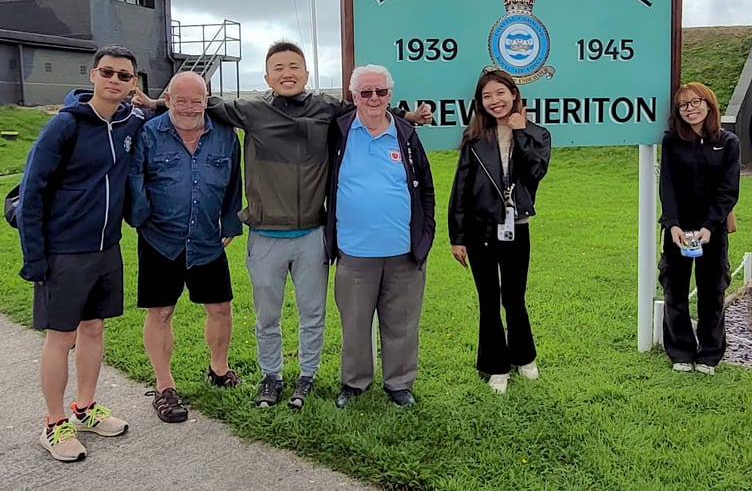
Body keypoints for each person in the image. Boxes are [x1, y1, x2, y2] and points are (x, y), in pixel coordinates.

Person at [137, 41, 430, 409]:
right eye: (278, 67)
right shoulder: (249, 110)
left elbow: (368, 105)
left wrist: (406, 116)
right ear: (266, 77)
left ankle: (307, 375)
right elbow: (196, 102)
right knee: (267, 317)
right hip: (264, 236)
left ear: (307, 74)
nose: (287, 73)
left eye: (294, 66)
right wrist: (155, 104)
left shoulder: (327, 108)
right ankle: (271, 376)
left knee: (312, 315)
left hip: (312, 235)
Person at [17, 45, 142, 462]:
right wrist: (35, 258)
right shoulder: (64, 126)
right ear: (92, 75)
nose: (114, 80)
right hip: (65, 252)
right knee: (61, 337)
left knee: (93, 330)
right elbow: (32, 192)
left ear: (133, 84)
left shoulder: (130, 123)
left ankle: (85, 408)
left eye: (124, 76)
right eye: (107, 72)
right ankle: (54, 424)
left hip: (106, 248)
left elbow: (170, 114)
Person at [127, 71, 243, 422]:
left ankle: (219, 370)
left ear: (207, 99)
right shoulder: (149, 133)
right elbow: (135, 179)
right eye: (182, 100)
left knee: (220, 308)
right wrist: (143, 218)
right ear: (168, 98)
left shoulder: (225, 136)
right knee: (161, 312)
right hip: (160, 240)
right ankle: (164, 386)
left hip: (207, 238)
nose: (190, 107)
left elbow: (234, 180)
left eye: (198, 100)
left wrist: (231, 221)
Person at [325, 65, 435, 409]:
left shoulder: (405, 134)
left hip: (403, 253)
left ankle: (399, 384)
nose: (374, 99)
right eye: (366, 92)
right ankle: (354, 383)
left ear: (390, 94)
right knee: (355, 325)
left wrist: (424, 236)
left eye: (381, 92)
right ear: (353, 95)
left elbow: (427, 191)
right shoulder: (338, 131)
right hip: (354, 253)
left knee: (401, 324)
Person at [448, 67, 551, 394]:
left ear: (513, 94)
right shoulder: (474, 137)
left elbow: (536, 171)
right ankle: (495, 366)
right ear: (480, 101)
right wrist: (457, 236)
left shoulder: (537, 133)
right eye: (487, 96)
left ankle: (525, 357)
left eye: (500, 93)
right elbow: (461, 187)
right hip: (481, 229)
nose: (495, 101)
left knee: (515, 297)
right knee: (489, 299)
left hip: (516, 227)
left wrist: (521, 132)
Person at [658, 82, 740, 375]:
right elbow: (666, 185)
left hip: (712, 230)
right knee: (675, 290)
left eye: (696, 102)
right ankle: (681, 351)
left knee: (712, 292)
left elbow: (729, 190)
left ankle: (709, 354)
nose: (690, 109)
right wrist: (672, 224)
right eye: (684, 105)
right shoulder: (671, 142)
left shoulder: (728, 142)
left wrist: (709, 226)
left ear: (709, 104)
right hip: (678, 229)